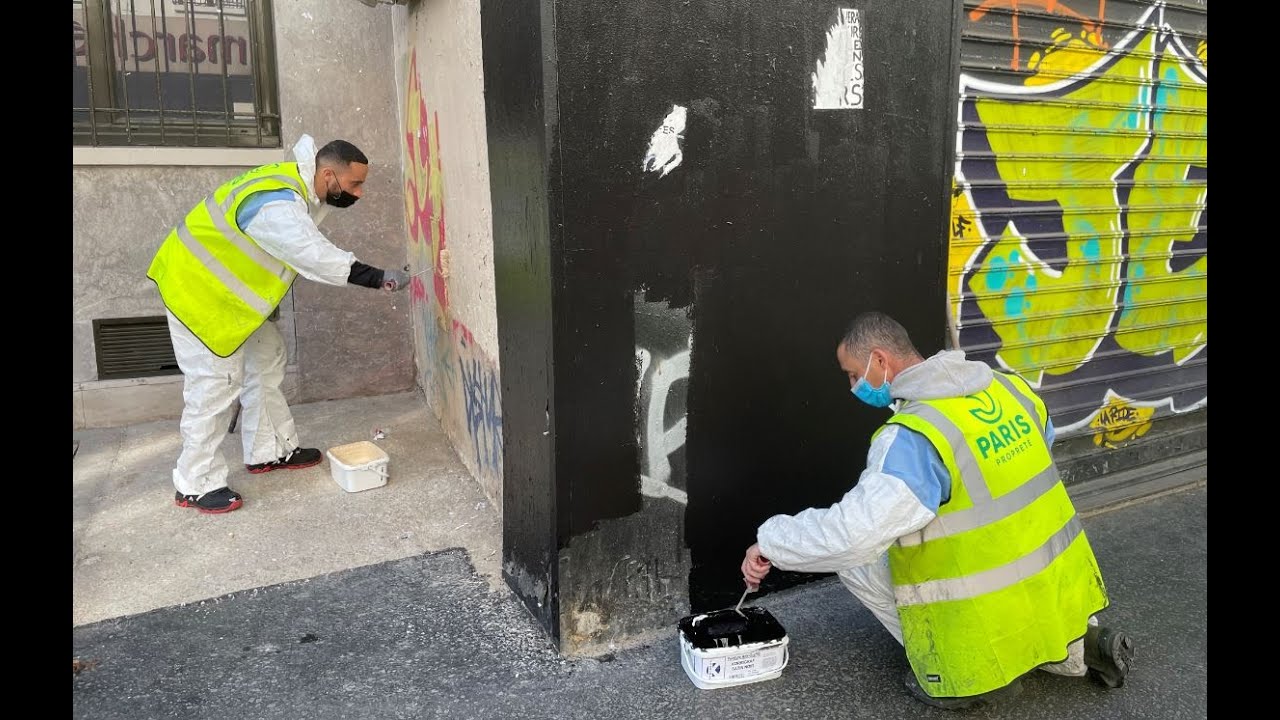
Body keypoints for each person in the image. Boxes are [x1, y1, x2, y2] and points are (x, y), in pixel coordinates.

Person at [740, 311, 1135, 710]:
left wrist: (770, 541)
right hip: (1049, 571)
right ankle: (1077, 646)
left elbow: (852, 536)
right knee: (998, 554)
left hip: (984, 585)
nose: (853, 386)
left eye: (852, 374)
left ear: (880, 361)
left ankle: (966, 675)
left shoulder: (914, 437)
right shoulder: (1009, 389)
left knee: (857, 559)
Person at [146, 134, 410, 515]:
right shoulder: (276, 204)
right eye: (355, 184)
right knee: (214, 387)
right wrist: (376, 277)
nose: (360, 193)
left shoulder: (292, 186)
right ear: (329, 175)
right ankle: (195, 483)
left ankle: (269, 450)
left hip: (227, 299)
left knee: (268, 358)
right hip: (198, 298)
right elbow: (311, 254)